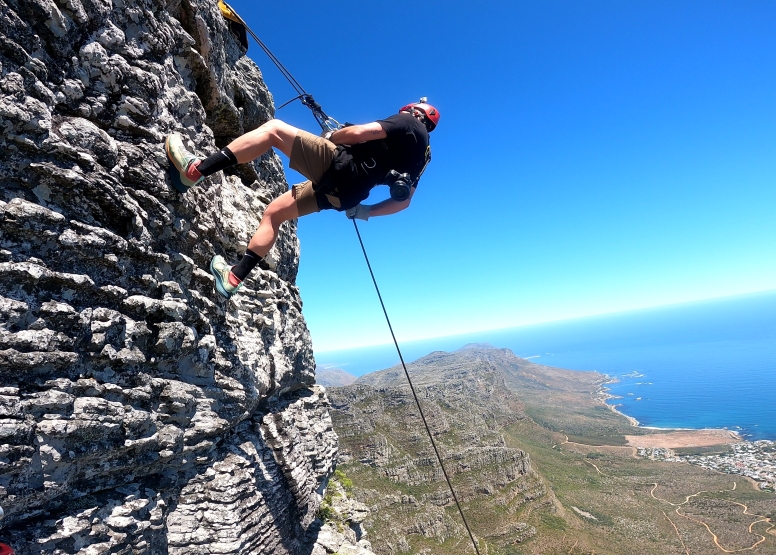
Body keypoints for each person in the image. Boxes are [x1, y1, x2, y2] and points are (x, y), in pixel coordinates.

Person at [166, 99, 439, 299]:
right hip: (347, 196)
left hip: (340, 167)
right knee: (275, 213)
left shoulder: (407, 122)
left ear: (415, 112)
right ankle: (233, 278)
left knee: (273, 129)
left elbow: (359, 134)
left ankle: (195, 170)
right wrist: (365, 211)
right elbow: (403, 201)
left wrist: (333, 136)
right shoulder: (423, 156)